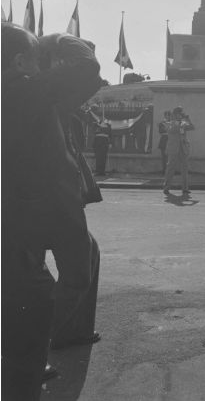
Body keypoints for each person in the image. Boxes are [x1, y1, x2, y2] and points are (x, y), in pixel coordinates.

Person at [2, 23, 102, 400]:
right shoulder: (24, 92)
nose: (40, 63)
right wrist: (61, 40)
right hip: (50, 207)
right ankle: (42, 342)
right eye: (33, 56)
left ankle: (38, 344)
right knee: (67, 277)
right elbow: (86, 69)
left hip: (22, 209)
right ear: (18, 61)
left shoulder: (24, 93)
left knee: (39, 277)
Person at [163, 107, 195, 196]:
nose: (180, 115)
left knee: (185, 169)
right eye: (179, 113)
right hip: (173, 149)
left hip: (183, 148)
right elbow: (171, 130)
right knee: (170, 168)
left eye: (181, 113)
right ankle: (166, 187)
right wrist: (178, 121)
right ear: (175, 114)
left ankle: (185, 189)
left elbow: (192, 127)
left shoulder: (183, 123)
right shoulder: (170, 123)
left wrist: (187, 119)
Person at [158, 111, 171, 175]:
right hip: (163, 141)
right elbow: (161, 132)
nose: (167, 117)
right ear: (164, 116)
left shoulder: (172, 123)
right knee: (164, 157)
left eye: (169, 115)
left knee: (170, 157)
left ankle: (169, 171)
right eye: (166, 115)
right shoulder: (161, 123)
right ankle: (164, 170)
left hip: (170, 141)